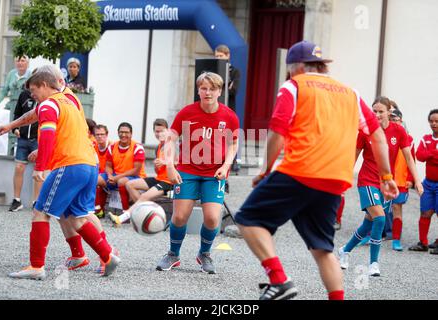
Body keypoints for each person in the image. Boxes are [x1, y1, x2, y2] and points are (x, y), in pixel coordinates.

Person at [234, 40, 398, 301]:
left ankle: (279, 281)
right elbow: (377, 135)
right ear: (321, 66)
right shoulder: (350, 93)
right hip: (334, 180)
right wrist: (387, 177)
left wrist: (265, 171)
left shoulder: (294, 86)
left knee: (247, 220)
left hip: (299, 171)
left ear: (295, 67)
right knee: (323, 249)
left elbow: (277, 132)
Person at [0, 68, 120, 280]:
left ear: (45, 84)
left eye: (34, 90)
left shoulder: (49, 104)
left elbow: (47, 134)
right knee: (75, 216)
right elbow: (50, 123)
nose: (32, 96)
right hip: (89, 164)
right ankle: (107, 255)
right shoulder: (69, 99)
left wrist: (40, 167)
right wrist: (13, 125)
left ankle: (36, 267)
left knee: (40, 212)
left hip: (70, 164)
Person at [156, 71, 239, 274]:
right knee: (179, 217)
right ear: (198, 90)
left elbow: (234, 144)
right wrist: (170, 166)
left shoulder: (229, 116)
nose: (207, 92)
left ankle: (204, 254)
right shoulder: (186, 112)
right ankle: (173, 255)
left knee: (212, 218)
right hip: (187, 170)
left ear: (219, 91)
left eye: (212, 89)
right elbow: (170, 139)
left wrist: (225, 166)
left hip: (214, 173)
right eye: (203, 88)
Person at [339, 96, 422, 276]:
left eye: (380, 111)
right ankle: (373, 264)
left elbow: (409, 158)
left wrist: (417, 181)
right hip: (367, 180)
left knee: (368, 224)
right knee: (380, 219)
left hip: (386, 184)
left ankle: (344, 250)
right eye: (374, 111)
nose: (376, 114)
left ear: (389, 112)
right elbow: (353, 156)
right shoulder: (365, 131)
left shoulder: (399, 131)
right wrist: (343, 179)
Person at [108, 118, 173, 226]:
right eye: (157, 131)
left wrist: (165, 162)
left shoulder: (172, 144)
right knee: (129, 184)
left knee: (144, 197)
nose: (159, 133)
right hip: (159, 179)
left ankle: (121, 218)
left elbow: (180, 163)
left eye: (162, 131)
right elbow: (158, 171)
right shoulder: (158, 146)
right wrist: (157, 166)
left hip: (170, 182)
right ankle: (148, 214)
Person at [95, 122, 146, 216]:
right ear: (118, 133)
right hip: (115, 176)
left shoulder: (137, 147)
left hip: (135, 177)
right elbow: (108, 166)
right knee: (95, 179)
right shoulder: (112, 147)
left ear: (131, 134)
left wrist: (117, 177)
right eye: (121, 132)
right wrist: (110, 175)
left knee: (122, 181)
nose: (123, 135)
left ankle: (125, 214)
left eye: (126, 132)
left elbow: (136, 170)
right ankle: (98, 210)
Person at [409, 109, 438, 254]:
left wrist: (430, 155)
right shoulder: (426, 138)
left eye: (437, 121)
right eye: (431, 121)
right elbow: (419, 155)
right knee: (425, 213)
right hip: (428, 183)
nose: (434, 124)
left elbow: (426, 156)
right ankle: (423, 243)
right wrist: (433, 153)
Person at [7, 85, 39, 212]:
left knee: (39, 169)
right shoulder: (24, 95)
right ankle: (16, 200)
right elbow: (17, 113)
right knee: (19, 167)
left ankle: (37, 202)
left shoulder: (47, 96)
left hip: (38, 139)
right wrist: (14, 129)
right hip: (23, 138)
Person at [390, 108, 415, 251]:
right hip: (385, 180)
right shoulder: (384, 134)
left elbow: (412, 160)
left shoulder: (409, 140)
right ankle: (370, 235)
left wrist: (411, 179)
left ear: (401, 121)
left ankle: (396, 239)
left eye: (396, 120)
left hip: (400, 181)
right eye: (392, 119)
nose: (394, 122)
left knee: (396, 209)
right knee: (376, 209)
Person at [215, 44, 241, 174]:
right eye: (217, 56)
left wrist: (223, 86)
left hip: (228, 107)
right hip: (214, 108)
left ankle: (233, 161)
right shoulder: (212, 70)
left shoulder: (235, 71)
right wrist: (226, 85)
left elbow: (233, 91)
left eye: (221, 56)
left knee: (230, 136)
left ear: (227, 56)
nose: (218, 58)